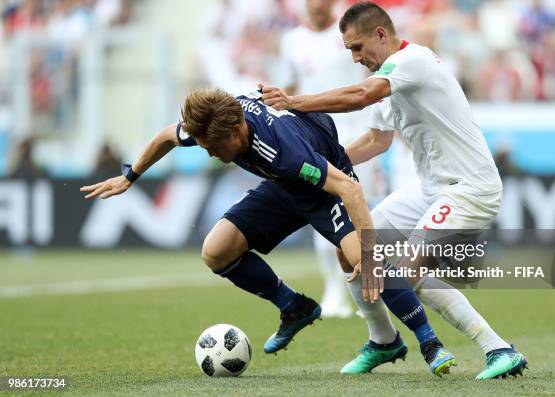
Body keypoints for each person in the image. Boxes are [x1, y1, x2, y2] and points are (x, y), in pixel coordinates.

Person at [80, 87, 457, 376]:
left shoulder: (281, 151)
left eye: (214, 147)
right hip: (282, 187)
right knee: (215, 251)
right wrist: (131, 176)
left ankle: (430, 343)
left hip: (324, 186)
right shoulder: (214, 121)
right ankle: (294, 307)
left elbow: (348, 188)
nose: (210, 153)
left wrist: (373, 256)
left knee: (363, 259)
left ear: (237, 130)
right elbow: (167, 135)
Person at [261, 1, 527, 379]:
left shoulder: (412, 62)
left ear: (381, 34)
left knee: (406, 272)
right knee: (351, 247)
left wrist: (292, 103)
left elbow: (359, 97)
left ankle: (498, 349)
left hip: (470, 189)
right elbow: (375, 141)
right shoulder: (389, 74)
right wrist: (321, 171)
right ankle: (383, 340)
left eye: (357, 47)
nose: (354, 57)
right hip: (430, 189)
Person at [276, 0, 384, 319]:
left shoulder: (349, 37)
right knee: (324, 212)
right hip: (313, 138)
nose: (318, 2)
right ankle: (334, 289)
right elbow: (288, 89)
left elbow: (375, 75)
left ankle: (375, 283)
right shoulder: (291, 41)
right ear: (304, 0)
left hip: (358, 136)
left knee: (364, 211)